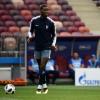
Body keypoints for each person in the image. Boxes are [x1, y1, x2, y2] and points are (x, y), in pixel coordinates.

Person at [28, 4, 57, 94]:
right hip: (37, 47)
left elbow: (54, 35)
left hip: (47, 47)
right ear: (40, 11)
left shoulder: (51, 22)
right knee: (41, 68)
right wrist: (30, 36)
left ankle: (39, 86)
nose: (46, 12)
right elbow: (30, 31)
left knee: (42, 66)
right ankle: (44, 84)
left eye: (47, 10)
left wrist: (53, 44)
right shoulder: (34, 20)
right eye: (44, 10)